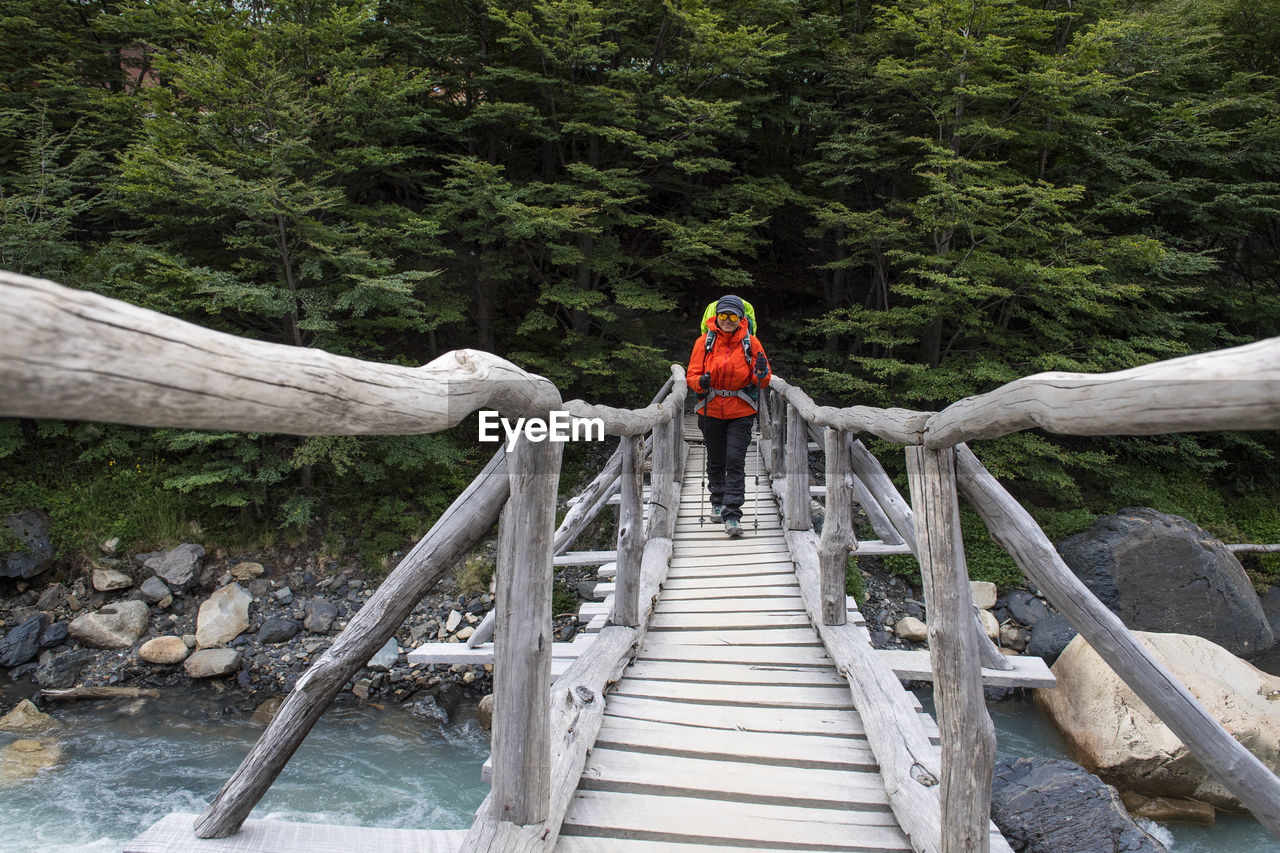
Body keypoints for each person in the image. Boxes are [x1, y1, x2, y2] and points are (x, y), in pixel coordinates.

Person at [686, 294, 771, 537]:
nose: (727, 320)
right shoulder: (704, 342)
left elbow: (762, 381)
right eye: (723, 315)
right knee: (715, 458)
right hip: (710, 408)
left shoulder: (751, 343)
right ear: (716, 316)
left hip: (741, 410)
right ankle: (717, 501)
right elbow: (691, 376)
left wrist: (762, 373)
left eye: (733, 316)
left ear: (741, 318)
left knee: (734, 460)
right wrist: (699, 383)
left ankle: (732, 514)